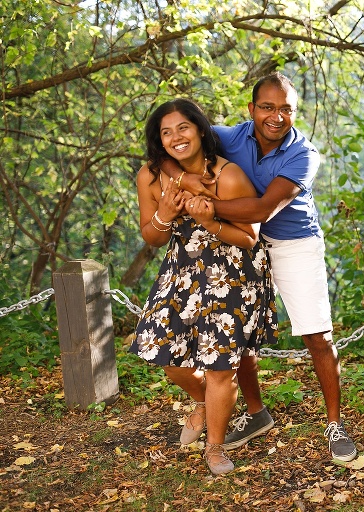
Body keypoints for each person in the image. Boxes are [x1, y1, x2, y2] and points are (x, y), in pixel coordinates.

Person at [164, 72, 357, 462]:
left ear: (295, 113)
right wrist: (187, 179)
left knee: (317, 335)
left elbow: (264, 208)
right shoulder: (226, 136)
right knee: (239, 337)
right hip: (237, 242)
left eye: (286, 109)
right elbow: (170, 150)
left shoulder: (303, 154)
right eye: (267, 107)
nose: (276, 116)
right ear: (250, 109)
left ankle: (335, 423)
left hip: (291, 243)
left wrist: (205, 203)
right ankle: (256, 414)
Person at [131, 98, 279, 475]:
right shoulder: (150, 176)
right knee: (160, 351)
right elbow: (151, 236)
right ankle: (203, 402)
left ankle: (215, 447)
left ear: (200, 129)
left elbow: (249, 238)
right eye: (166, 132)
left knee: (219, 367)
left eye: (183, 127)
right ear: (159, 142)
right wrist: (165, 213)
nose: (176, 137)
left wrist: (209, 220)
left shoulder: (226, 176)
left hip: (232, 273)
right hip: (181, 269)